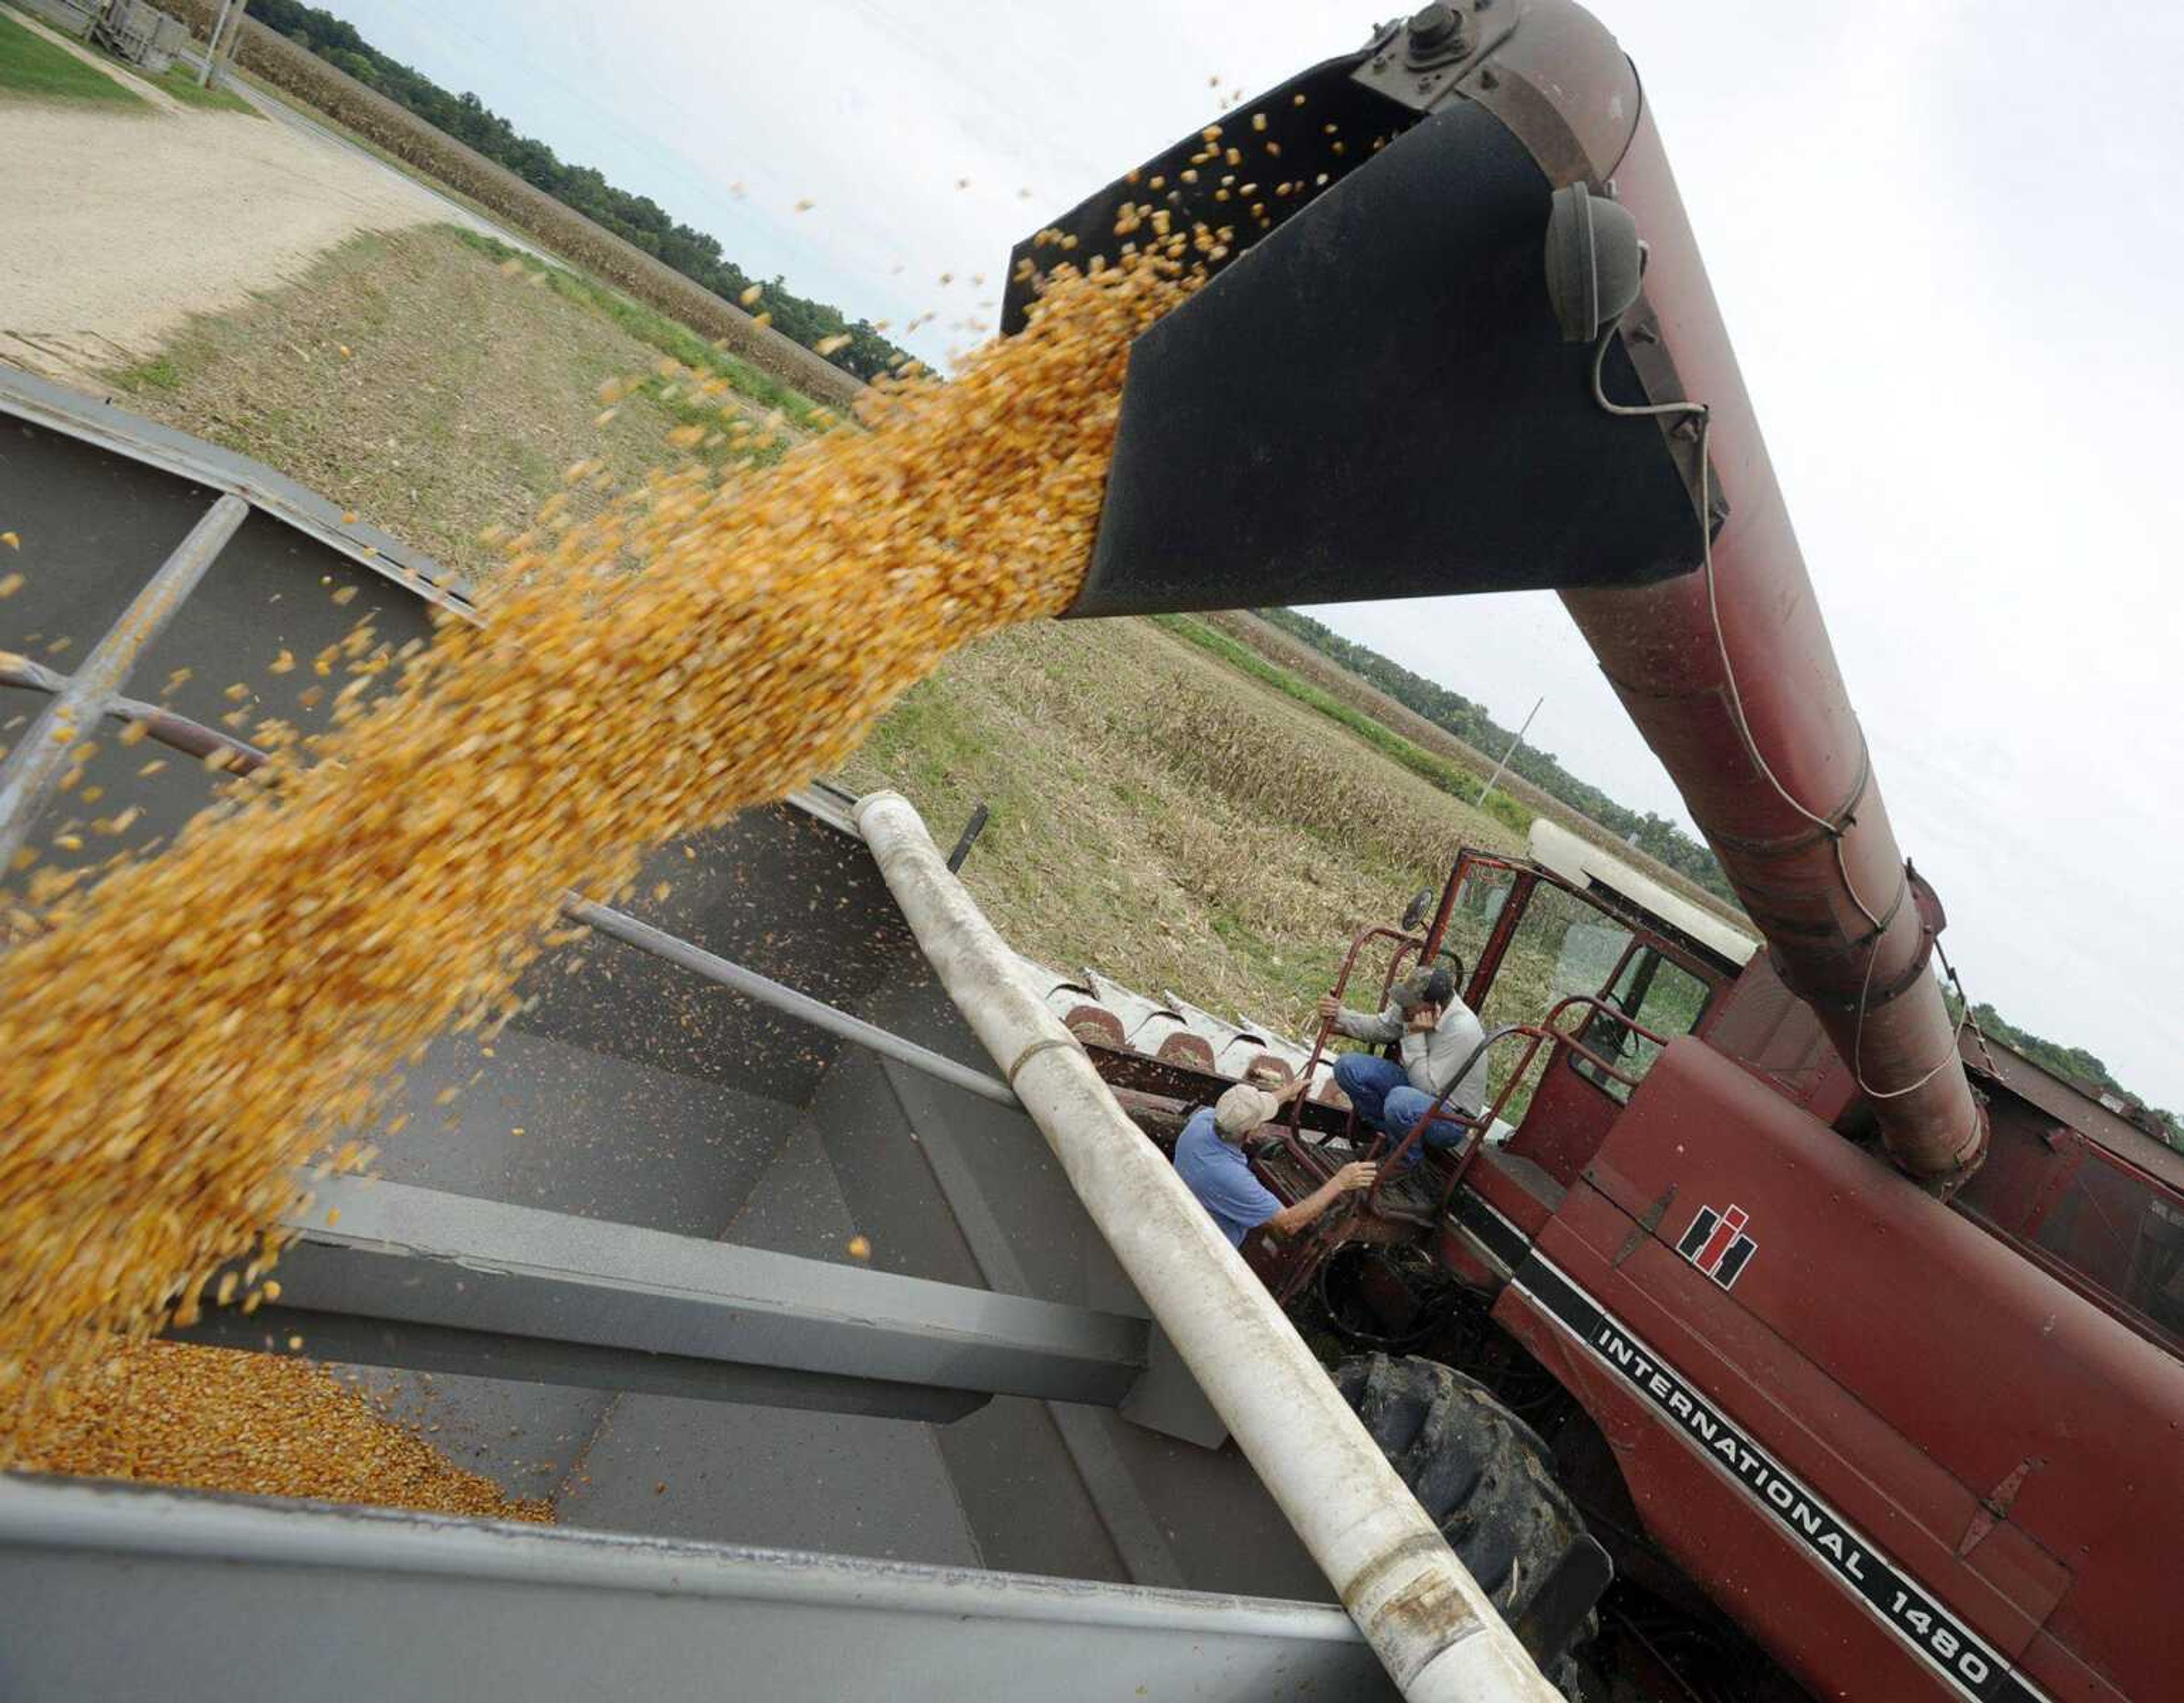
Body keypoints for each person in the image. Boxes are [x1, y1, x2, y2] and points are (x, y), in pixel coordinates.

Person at [1174, 1080, 1377, 1248]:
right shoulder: (1231, 1177)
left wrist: (1289, 1091)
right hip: (1208, 1247)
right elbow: (1289, 1224)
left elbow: (1245, 1110)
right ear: (1251, 1133)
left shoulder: (1203, 1121)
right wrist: (1340, 1182)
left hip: (1184, 1216)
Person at [1317, 963, 1489, 1156]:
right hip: (1416, 1092)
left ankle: (1403, 1160)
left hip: (1450, 1118)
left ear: (1436, 1007)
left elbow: (1426, 1088)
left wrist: (1414, 1035)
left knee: (1400, 1100)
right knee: (1348, 1067)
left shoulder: (1462, 1029)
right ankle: (1389, 1139)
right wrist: (1340, 1013)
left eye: (1410, 1003)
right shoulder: (1415, 1008)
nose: (1404, 1007)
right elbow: (1381, 1027)